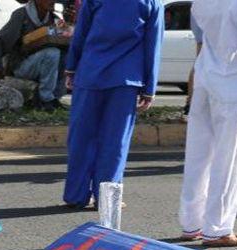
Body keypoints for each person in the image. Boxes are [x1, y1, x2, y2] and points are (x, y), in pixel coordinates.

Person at [61, 0, 163, 209]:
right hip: (126, 79)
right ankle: (107, 198)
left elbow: (80, 33)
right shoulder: (152, 2)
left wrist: (71, 68)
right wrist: (149, 87)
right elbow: (153, 44)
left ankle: (75, 194)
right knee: (115, 141)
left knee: (81, 137)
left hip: (89, 73)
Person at [177, 0, 237, 247]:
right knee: (229, 159)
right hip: (234, 80)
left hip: (206, 71)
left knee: (198, 154)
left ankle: (192, 222)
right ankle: (218, 228)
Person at [0, 0, 69, 111]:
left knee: (65, 56)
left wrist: (66, 31)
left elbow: (65, 42)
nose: (52, 1)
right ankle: (45, 99)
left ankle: (55, 97)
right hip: (20, 66)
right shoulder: (21, 15)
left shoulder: (54, 18)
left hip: (41, 65)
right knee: (52, 53)